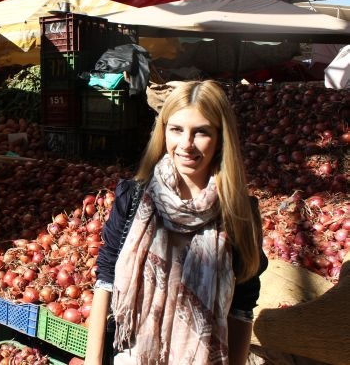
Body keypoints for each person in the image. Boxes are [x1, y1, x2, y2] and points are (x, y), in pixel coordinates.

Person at [85, 80, 267, 365]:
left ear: (221, 138)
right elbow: (105, 281)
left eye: (201, 132)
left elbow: (242, 308)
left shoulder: (239, 213)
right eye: (176, 129)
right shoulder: (134, 198)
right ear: (164, 131)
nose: (186, 144)